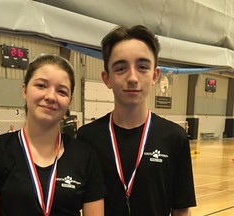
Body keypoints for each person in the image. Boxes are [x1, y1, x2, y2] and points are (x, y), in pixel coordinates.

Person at [77, 25, 196, 216]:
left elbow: (181, 210)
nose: (132, 77)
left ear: (155, 75)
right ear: (106, 78)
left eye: (142, 67)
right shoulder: (87, 137)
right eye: (121, 68)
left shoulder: (175, 137)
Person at [0, 54, 106, 216]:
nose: (50, 96)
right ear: (25, 90)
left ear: (69, 101)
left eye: (62, 91)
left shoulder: (85, 156)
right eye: (41, 86)